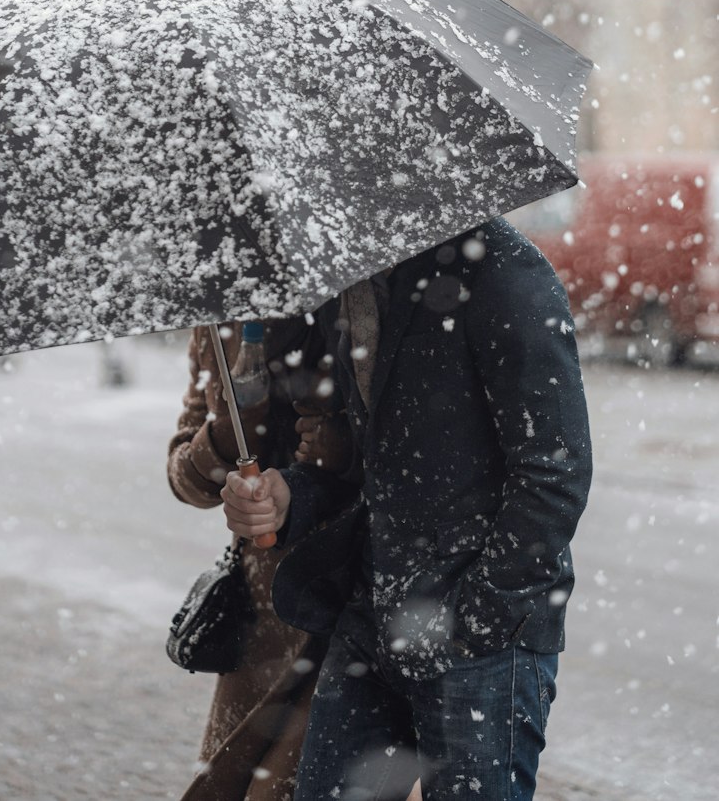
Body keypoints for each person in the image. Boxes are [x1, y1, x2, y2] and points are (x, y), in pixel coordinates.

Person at [219, 218, 593, 801]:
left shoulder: (502, 270)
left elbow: (556, 472)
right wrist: (290, 496)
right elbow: (368, 470)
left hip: (480, 637)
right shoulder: (358, 281)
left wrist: (477, 618)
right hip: (373, 618)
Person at [167, 317, 350, 801]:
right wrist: (232, 429)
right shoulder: (215, 325)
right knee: (235, 779)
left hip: (343, 590)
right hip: (261, 612)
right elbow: (184, 476)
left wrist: (323, 452)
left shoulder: (349, 304)